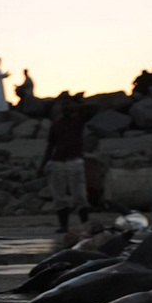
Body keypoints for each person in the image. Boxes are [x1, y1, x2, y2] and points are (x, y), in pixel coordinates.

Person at [40, 95, 93, 234]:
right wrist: (43, 164)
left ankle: (84, 224)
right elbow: (50, 145)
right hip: (58, 162)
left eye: (68, 104)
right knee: (59, 196)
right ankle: (64, 226)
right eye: (63, 105)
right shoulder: (56, 124)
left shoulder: (79, 120)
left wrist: (76, 106)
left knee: (80, 196)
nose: (65, 107)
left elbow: (94, 108)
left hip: (75, 161)